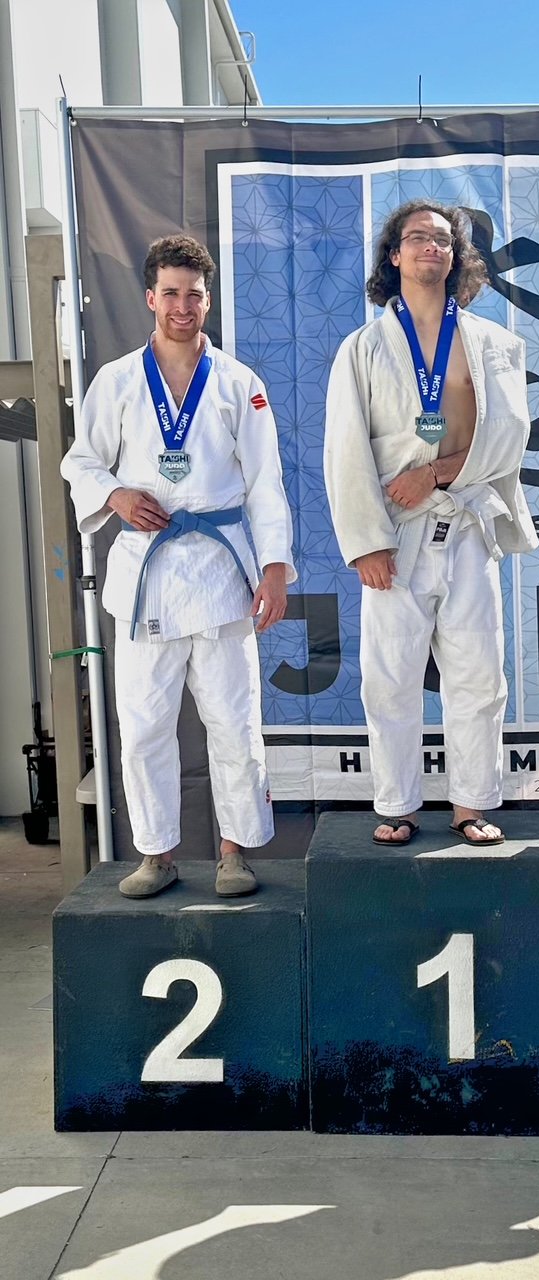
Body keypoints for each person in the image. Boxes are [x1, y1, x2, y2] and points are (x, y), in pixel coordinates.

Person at [61, 234, 295, 898]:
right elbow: (82, 461)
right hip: (146, 575)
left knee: (233, 721)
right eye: (170, 293)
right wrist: (114, 494)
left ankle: (233, 851)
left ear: (207, 299)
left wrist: (274, 569)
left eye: (193, 294)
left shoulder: (238, 384)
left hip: (222, 572)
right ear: (150, 297)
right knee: (142, 726)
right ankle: (157, 854)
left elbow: (267, 484)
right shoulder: (116, 381)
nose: (182, 306)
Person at [323, 199, 538, 846]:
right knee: (389, 677)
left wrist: (439, 473)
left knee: (478, 673)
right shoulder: (362, 348)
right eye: (417, 238)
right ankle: (397, 804)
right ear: (394, 255)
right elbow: (344, 449)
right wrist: (365, 542)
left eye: (443, 240)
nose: (430, 248)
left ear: (457, 258)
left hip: (467, 524)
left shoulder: (497, 345)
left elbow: (513, 438)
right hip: (398, 531)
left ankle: (473, 804)